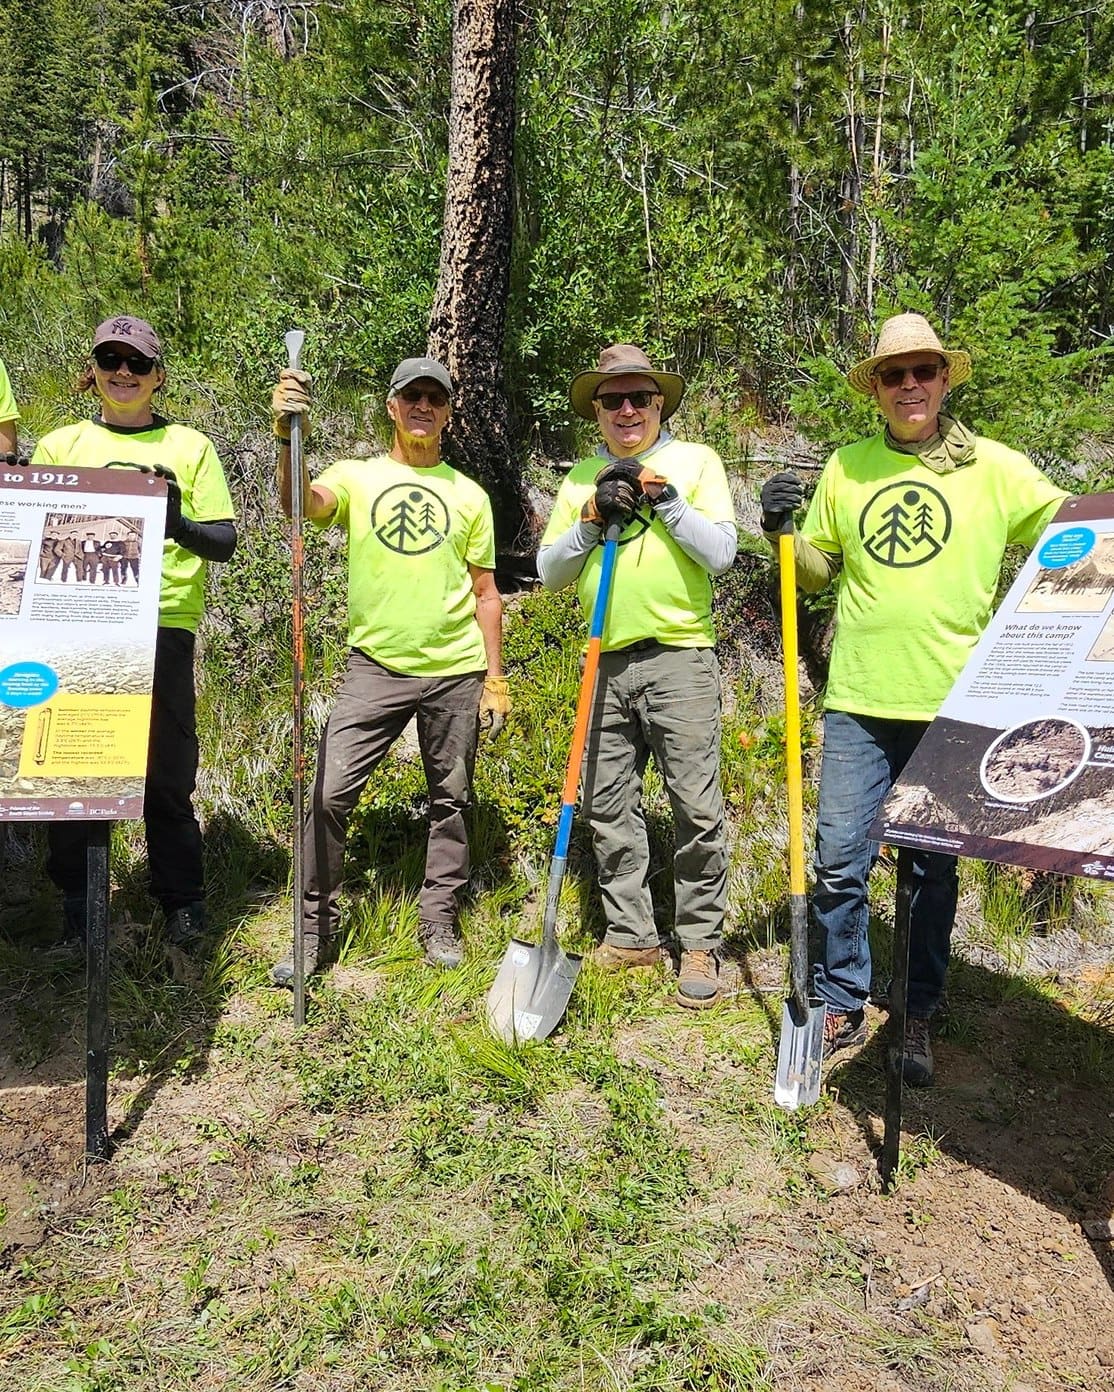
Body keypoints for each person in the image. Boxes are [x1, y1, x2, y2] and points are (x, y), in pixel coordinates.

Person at [761, 311, 1068, 1084]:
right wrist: (782, 536)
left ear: (942, 379)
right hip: (860, 697)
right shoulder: (848, 467)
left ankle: (918, 1009)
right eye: (894, 375)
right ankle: (841, 995)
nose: (910, 386)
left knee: (932, 871)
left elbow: (1067, 530)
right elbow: (818, 571)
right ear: (877, 388)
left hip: (955, 704)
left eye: (923, 371)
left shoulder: (994, 468)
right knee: (839, 859)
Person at [268, 354, 508, 984]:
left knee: (450, 800)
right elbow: (298, 504)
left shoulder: (470, 495)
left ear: (449, 413)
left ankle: (438, 920)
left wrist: (496, 676)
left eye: (435, 398)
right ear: (392, 407)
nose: (423, 407)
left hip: (455, 670)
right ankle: (312, 930)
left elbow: (486, 593)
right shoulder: (356, 476)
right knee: (326, 792)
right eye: (412, 397)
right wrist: (287, 436)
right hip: (374, 666)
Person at [537, 344, 737, 1008]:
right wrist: (592, 522)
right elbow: (548, 572)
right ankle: (632, 934)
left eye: (639, 399)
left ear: (660, 405)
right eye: (612, 400)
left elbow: (723, 555)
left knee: (696, 806)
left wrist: (668, 502)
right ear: (596, 410)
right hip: (605, 659)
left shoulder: (696, 462)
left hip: (678, 656)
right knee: (605, 803)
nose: (626, 410)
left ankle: (701, 942)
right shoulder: (580, 478)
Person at [32, 315, 238, 950]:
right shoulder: (60, 445)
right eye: (111, 359)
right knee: (71, 772)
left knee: (166, 772)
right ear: (93, 370)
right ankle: (78, 902)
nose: (124, 372)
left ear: (159, 377)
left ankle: (182, 903)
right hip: (73, 627)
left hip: (161, 625)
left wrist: (174, 523)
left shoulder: (190, 446)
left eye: (137, 363)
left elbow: (224, 541)